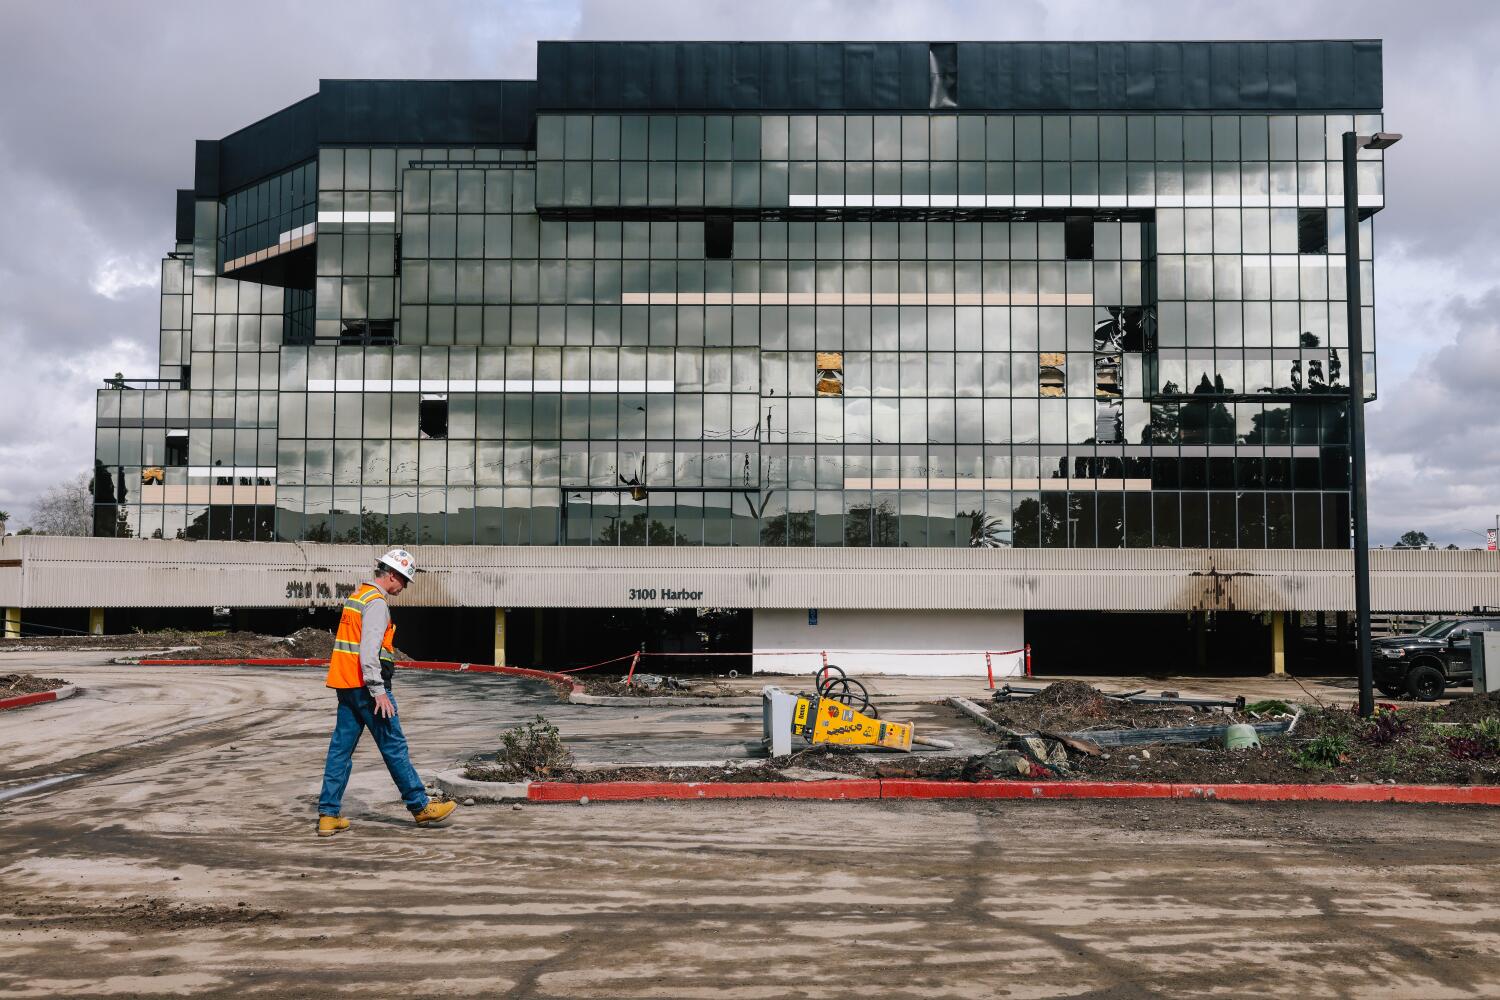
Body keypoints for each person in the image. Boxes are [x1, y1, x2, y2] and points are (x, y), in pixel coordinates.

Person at [316, 548, 456, 836]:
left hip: (347, 687)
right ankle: (420, 807)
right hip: (368, 689)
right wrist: (378, 690)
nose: (403, 587)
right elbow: (368, 652)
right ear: (391, 575)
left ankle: (328, 815)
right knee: (394, 747)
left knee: (340, 752)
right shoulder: (376, 603)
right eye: (403, 580)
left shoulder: (357, 597)